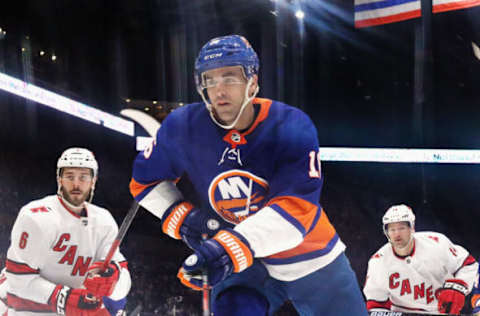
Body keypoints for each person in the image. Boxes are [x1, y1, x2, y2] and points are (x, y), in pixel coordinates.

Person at [129, 34, 367, 315]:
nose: (219, 90)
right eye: (210, 79)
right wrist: (183, 217)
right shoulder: (184, 126)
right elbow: (145, 180)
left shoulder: (291, 125)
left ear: (252, 81)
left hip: (311, 256)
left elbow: (295, 208)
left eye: (230, 78)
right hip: (243, 262)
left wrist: (227, 247)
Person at [5, 147, 130, 316]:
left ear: (93, 181)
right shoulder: (36, 217)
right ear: (60, 180)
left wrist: (113, 282)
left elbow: (122, 283)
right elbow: (18, 281)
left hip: (74, 307)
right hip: (28, 308)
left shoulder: (104, 220)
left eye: (83, 177)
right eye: (70, 177)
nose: (76, 184)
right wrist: (62, 298)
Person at [364, 204, 478, 315]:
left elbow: (468, 264)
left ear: (412, 228)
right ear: (386, 232)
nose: (397, 234)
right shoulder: (378, 262)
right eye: (392, 229)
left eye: (401, 228)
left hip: (440, 311)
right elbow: (376, 305)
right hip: (403, 312)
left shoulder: (437, 243)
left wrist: (458, 287)